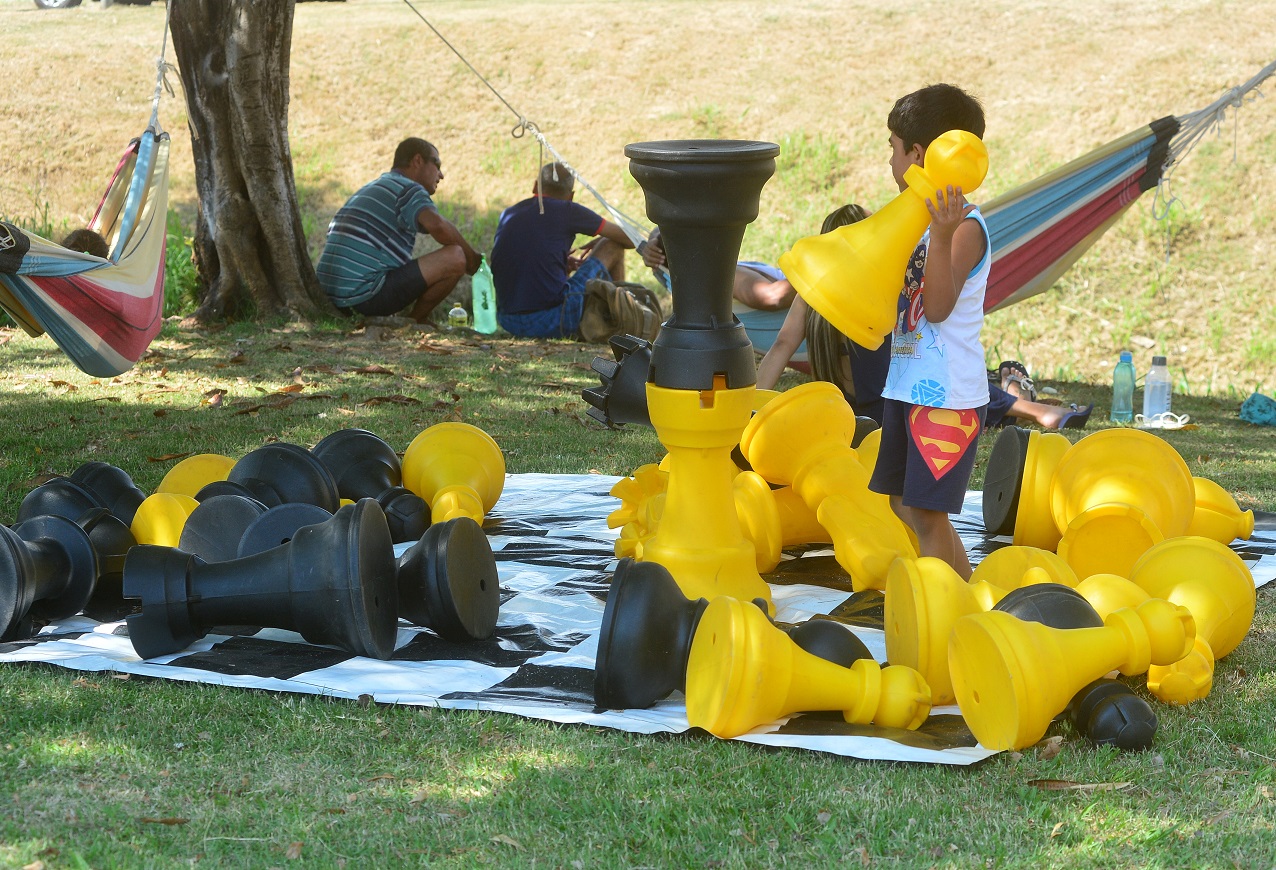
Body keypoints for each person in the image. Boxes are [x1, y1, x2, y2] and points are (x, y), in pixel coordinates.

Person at [862, 83, 991, 579]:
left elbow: (936, 307)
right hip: (908, 384)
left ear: (919, 154)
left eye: (892, 149)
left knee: (926, 513)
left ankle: (955, 614)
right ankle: (964, 596)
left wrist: (938, 235)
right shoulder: (918, 221)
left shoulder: (964, 228)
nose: (890, 163)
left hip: (947, 396)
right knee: (902, 502)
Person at [316, 137, 481, 322]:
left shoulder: (378, 186)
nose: (441, 175)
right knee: (456, 257)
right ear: (417, 160)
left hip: (328, 296)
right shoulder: (408, 189)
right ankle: (414, 322)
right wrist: (473, 261)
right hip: (363, 297)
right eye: (437, 164)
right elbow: (438, 226)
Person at [489, 162, 634, 339]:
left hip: (507, 321)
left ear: (535, 186)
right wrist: (603, 239)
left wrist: (557, 263)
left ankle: (611, 321)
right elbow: (630, 239)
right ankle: (621, 326)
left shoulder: (508, 213)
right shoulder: (569, 211)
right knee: (613, 246)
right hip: (553, 319)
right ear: (571, 196)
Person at [639, 229, 795, 310]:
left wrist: (653, 238)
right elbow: (773, 297)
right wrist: (818, 273)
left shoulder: (717, 266)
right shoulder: (722, 276)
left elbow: (664, 230)